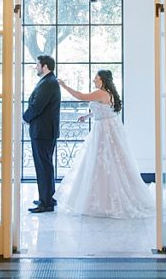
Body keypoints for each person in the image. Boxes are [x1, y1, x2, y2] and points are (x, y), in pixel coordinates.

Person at [54, 70, 154, 219]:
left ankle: (104, 200)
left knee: (104, 162)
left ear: (102, 80)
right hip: (106, 127)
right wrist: (87, 115)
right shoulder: (108, 92)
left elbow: (81, 96)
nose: (94, 80)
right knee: (106, 162)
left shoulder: (101, 92)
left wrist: (64, 86)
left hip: (104, 131)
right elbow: (104, 110)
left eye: (96, 78)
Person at [23, 54, 61, 213]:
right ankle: (47, 198)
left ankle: (46, 203)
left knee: (43, 166)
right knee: (45, 166)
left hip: (43, 132)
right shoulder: (49, 81)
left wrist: (25, 118)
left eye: (37, 65)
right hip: (45, 131)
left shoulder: (48, 83)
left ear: (45, 66)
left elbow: (37, 106)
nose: (35, 67)